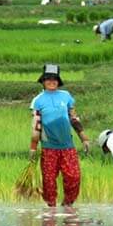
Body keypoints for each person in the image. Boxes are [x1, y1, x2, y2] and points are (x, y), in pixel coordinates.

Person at [30, 64, 90, 208]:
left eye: (55, 79)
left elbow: (74, 118)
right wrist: (33, 148)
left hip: (67, 146)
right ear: (43, 81)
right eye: (48, 78)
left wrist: (84, 138)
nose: (52, 81)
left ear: (58, 81)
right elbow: (36, 126)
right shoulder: (38, 100)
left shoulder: (66, 96)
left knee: (74, 177)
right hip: (49, 147)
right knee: (49, 181)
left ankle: (67, 206)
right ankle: (51, 209)